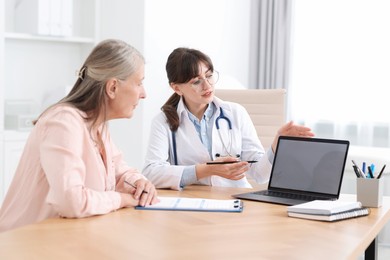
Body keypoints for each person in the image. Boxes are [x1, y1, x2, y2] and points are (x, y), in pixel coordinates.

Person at [0, 39, 159, 232]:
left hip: (62, 238)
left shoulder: (98, 126)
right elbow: (71, 201)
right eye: (139, 83)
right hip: (23, 244)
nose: (144, 94)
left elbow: (120, 170)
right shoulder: (63, 122)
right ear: (112, 88)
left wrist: (139, 183)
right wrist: (122, 199)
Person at [142, 47, 314, 190]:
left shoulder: (235, 113)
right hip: (192, 203)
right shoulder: (163, 122)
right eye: (196, 81)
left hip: (236, 200)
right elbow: (151, 173)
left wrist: (277, 145)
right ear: (177, 88)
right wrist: (206, 170)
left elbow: (260, 175)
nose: (207, 86)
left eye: (209, 76)